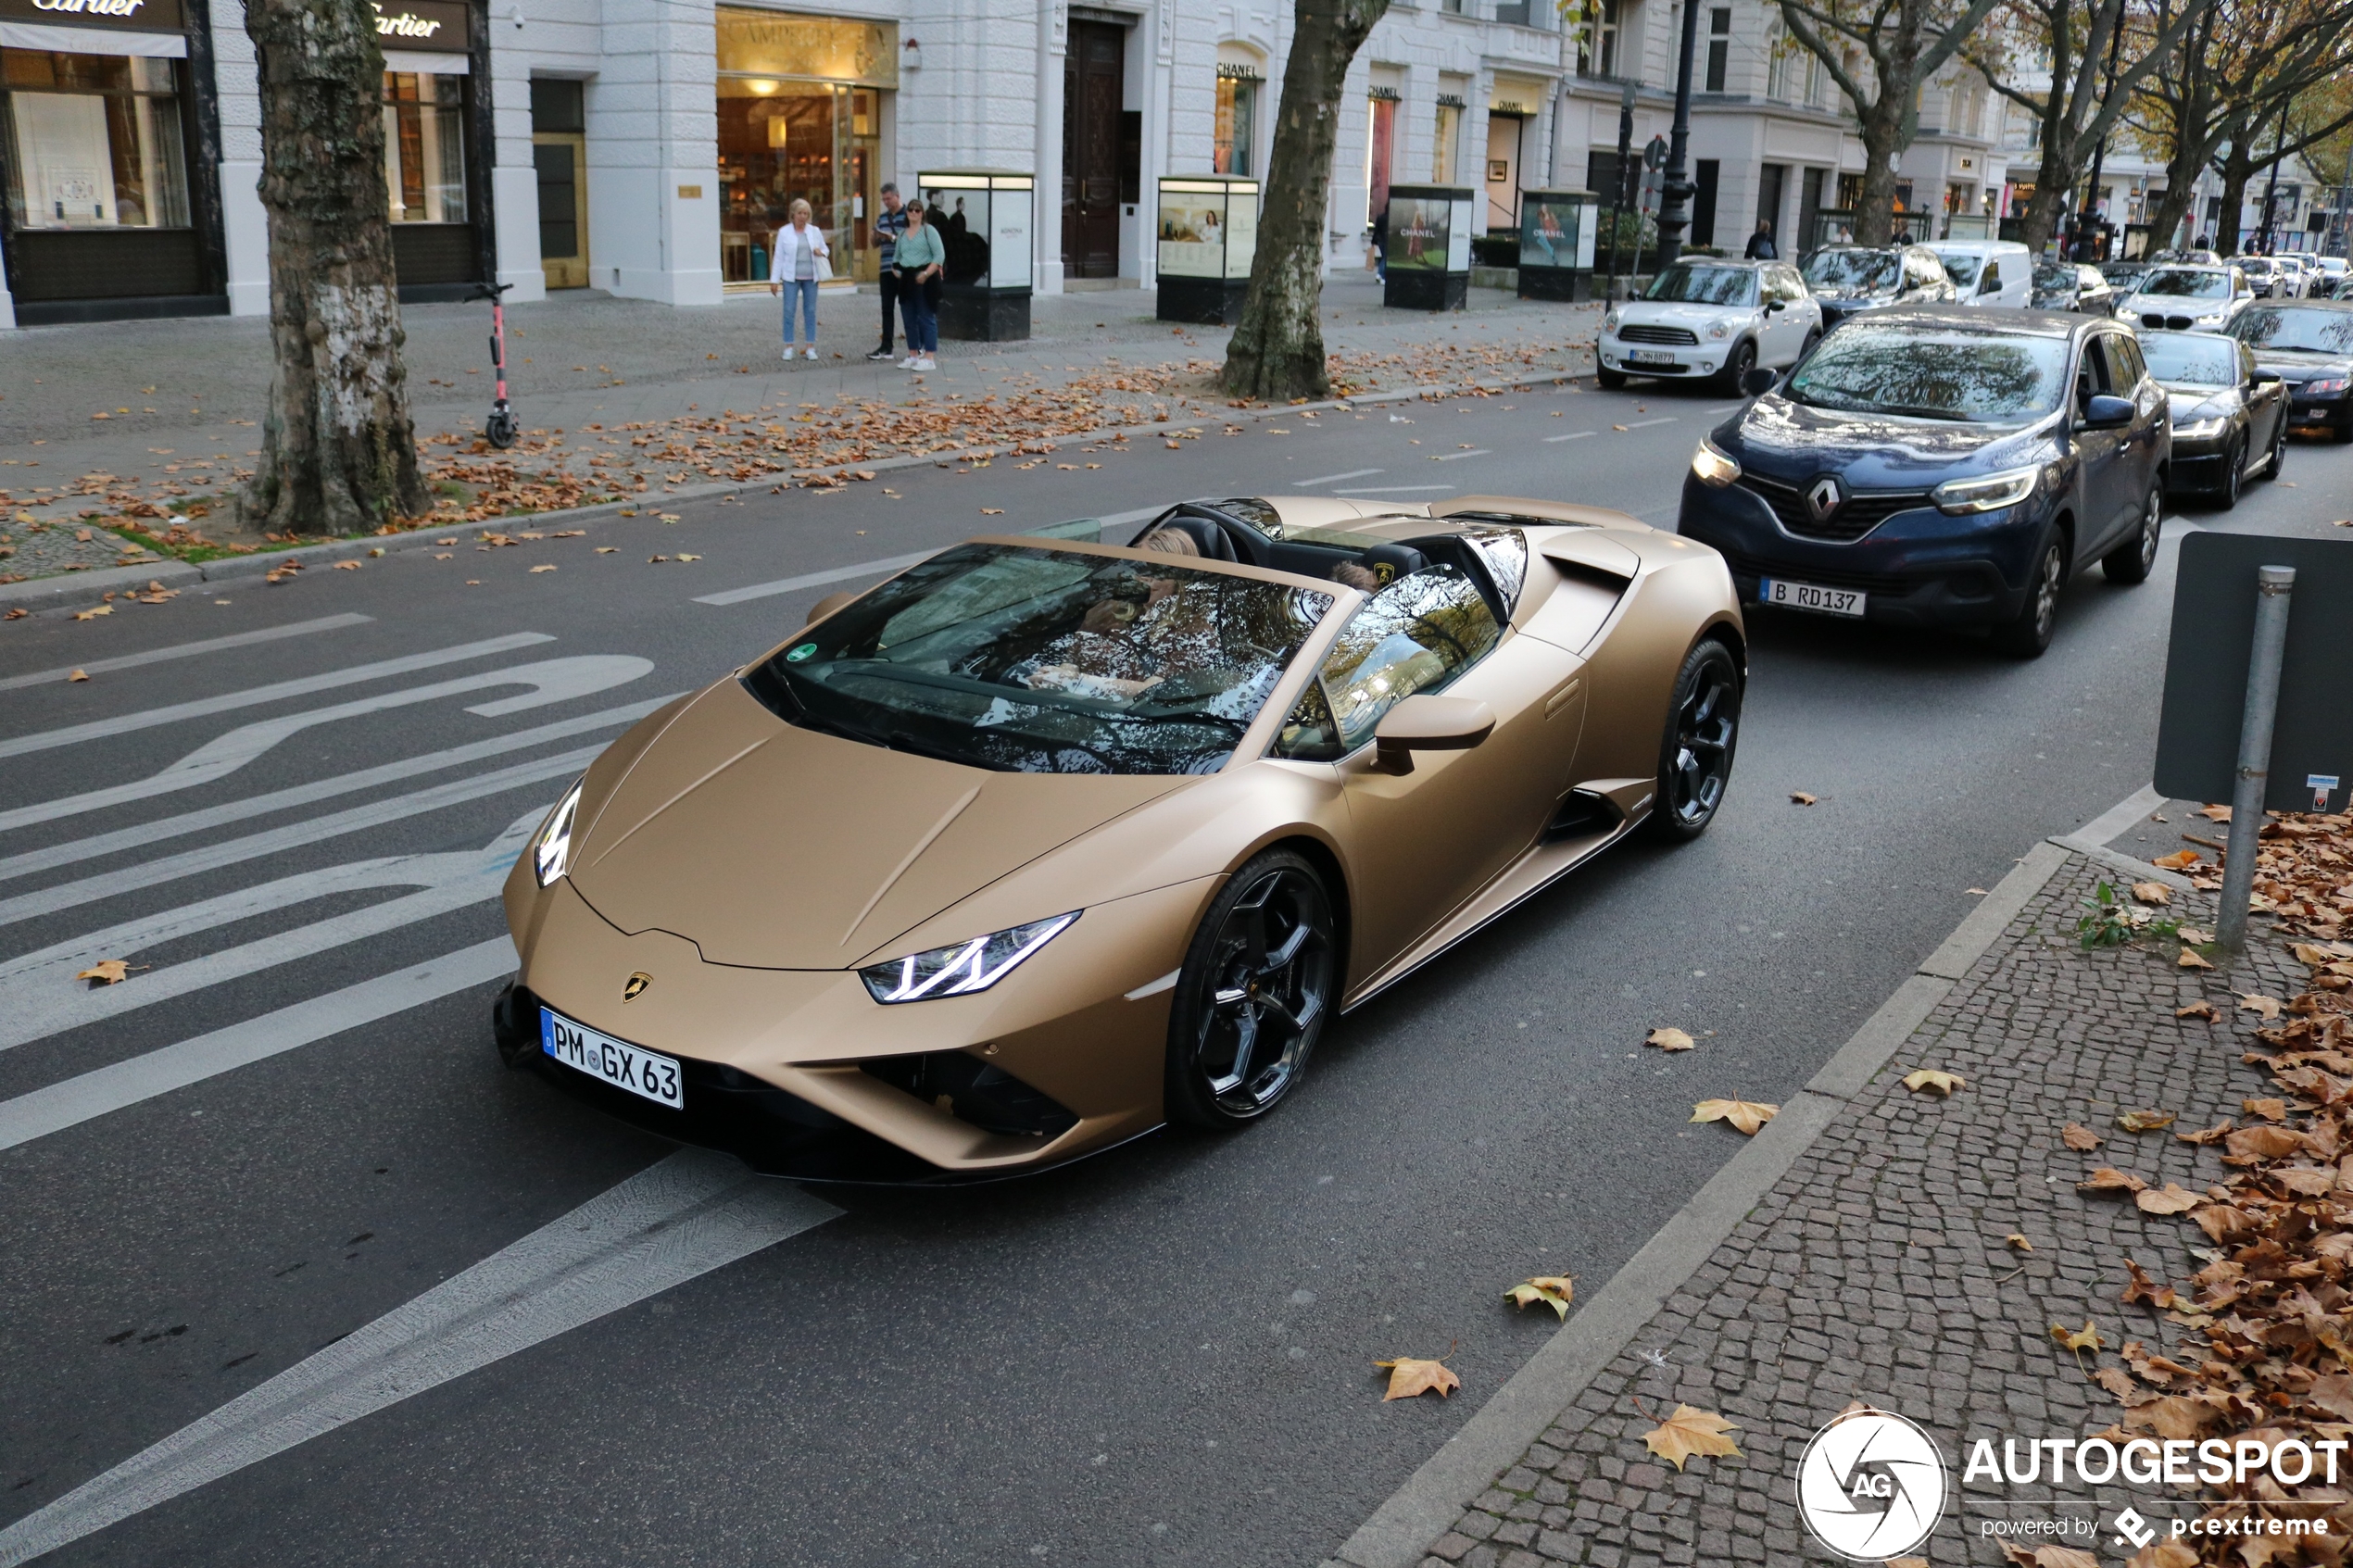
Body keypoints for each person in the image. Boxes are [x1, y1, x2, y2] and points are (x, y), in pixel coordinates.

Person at [767, 199, 829, 361]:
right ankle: (789, 346)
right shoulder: (784, 232)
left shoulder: (814, 231)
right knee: (788, 311)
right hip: (790, 277)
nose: (803, 217)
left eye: (806, 214)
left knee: (810, 311)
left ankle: (810, 346)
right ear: (793, 214)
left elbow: (825, 249)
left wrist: (820, 252)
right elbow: (778, 257)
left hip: (810, 277)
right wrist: (774, 280)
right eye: (800, 213)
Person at [893, 198, 945, 371]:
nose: (913, 213)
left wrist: (926, 273)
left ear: (922, 213)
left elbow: (939, 255)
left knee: (926, 317)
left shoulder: (928, 231)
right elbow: (897, 258)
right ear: (907, 213)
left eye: (917, 210)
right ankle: (913, 354)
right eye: (911, 210)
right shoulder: (902, 234)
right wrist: (897, 271)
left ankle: (929, 356)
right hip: (907, 278)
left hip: (926, 277)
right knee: (909, 319)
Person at [867, 183, 909, 363]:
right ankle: (886, 346)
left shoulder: (909, 215)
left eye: (888, 199)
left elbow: (911, 238)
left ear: (897, 196)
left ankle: (916, 346)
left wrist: (892, 237)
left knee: (908, 307)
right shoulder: (882, 218)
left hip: (904, 269)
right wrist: (875, 236)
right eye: (883, 199)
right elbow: (875, 245)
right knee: (886, 309)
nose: (886, 202)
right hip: (886, 268)